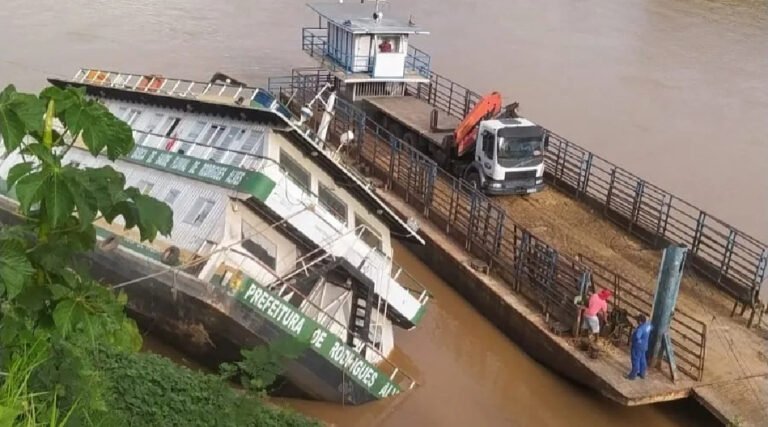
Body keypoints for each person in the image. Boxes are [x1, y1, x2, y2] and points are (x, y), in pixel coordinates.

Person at [627, 314, 652, 380]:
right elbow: (649, 326)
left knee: (635, 360)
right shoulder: (648, 326)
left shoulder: (640, 329)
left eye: (637, 320)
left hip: (637, 347)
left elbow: (637, 336)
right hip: (644, 346)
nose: (637, 321)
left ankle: (632, 375)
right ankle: (642, 373)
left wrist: (636, 340)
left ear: (640, 321)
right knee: (642, 359)